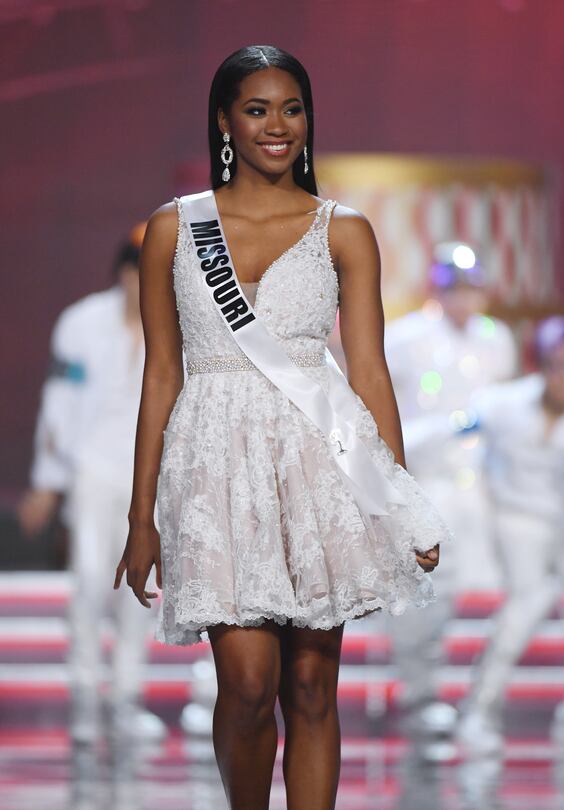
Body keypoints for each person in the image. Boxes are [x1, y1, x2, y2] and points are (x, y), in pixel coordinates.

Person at [114, 45, 449, 810]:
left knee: (308, 684)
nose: (277, 126)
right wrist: (142, 519)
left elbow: (368, 374)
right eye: (258, 109)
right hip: (214, 469)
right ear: (225, 121)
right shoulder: (174, 230)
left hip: (317, 464)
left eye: (291, 109)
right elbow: (161, 374)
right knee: (246, 686)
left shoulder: (345, 229)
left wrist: (400, 502)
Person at [18, 229, 167, 746]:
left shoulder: (175, 327)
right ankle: (84, 693)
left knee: (140, 590)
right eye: (136, 272)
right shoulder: (81, 324)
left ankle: (126, 697)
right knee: (87, 579)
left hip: (150, 478)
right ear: (122, 272)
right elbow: (58, 407)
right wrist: (47, 482)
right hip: (93, 470)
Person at [382, 244, 517, 756]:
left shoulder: (495, 339)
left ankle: (478, 704)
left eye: (471, 287)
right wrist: (448, 430)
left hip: (483, 489)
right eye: (454, 287)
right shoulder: (406, 338)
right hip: (427, 482)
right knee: (427, 597)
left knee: (487, 597)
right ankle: (421, 695)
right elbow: (386, 418)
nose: (464, 298)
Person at [456, 317, 564, 757]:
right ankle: (480, 709)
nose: (562, 375)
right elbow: (452, 431)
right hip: (517, 523)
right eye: (553, 364)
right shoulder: (503, 405)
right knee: (528, 604)